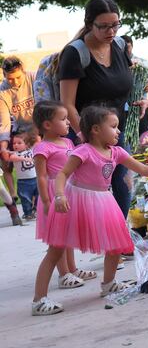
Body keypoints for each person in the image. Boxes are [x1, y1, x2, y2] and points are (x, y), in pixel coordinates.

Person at [32, 105, 148, 315]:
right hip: (76, 199)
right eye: (113, 126)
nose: (118, 131)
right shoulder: (83, 151)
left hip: (104, 198)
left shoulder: (117, 152)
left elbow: (142, 169)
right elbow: (61, 175)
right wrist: (58, 196)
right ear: (95, 129)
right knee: (56, 249)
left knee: (116, 244)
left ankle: (108, 283)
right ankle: (39, 300)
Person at [58, 0, 144, 221]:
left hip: (116, 130)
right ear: (89, 24)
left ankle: (120, 238)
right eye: (104, 26)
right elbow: (67, 103)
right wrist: (86, 138)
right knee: (94, 190)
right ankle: (99, 236)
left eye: (115, 25)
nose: (111, 31)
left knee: (122, 182)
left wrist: (139, 99)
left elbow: (123, 83)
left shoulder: (118, 45)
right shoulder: (75, 53)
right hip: (88, 134)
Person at [32, 101, 93, 290]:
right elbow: (41, 176)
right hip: (53, 194)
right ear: (47, 125)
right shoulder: (42, 148)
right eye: (63, 119)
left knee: (68, 234)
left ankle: (72, 269)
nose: (68, 123)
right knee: (58, 237)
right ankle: (63, 274)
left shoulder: (67, 142)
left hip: (69, 192)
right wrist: (45, 201)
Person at [0, 56, 36, 205]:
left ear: (23, 70)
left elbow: (43, 103)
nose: (14, 82)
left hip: (37, 127)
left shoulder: (33, 77)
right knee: (7, 163)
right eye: (10, 79)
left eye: (17, 77)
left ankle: (39, 197)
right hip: (19, 130)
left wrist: (37, 131)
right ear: (4, 75)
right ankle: (14, 196)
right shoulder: (2, 91)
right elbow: (5, 121)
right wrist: (3, 146)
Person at [10, 131, 38, 220]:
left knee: (39, 195)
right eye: (14, 143)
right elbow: (12, 158)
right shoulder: (15, 154)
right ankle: (28, 213)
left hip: (35, 179)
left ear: (26, 145)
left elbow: (37, 141)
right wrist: (25, 159)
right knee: (25, 198)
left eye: (19, 143)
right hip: (23, 182)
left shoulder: (31, 150)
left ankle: (36, 209)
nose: (16, 145)